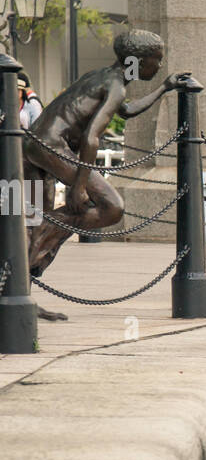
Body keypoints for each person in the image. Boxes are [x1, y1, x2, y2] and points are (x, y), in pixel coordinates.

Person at [23, 30, 189, 312]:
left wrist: (164, 88)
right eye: (156, 60)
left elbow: (124, 110)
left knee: (28, 221)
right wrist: (80, 186)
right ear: (136, 61)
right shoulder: (115, 85)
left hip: (33, 147)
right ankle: (39, 234)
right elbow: (91, 138)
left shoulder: (102, 76)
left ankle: (20, 296)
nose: (159, 65)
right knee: (112, 207)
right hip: (51, 146)